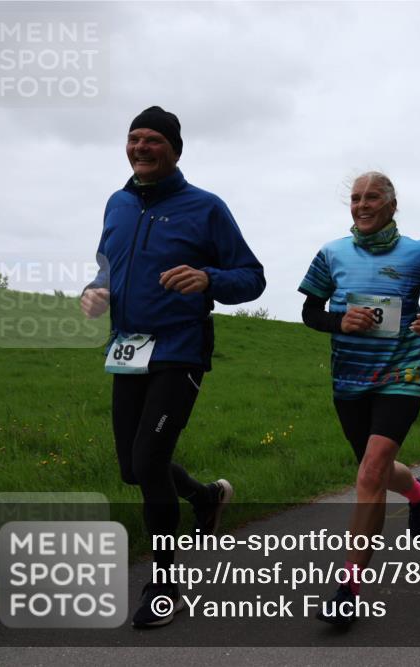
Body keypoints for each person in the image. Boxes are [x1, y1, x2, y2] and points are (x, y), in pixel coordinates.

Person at [80, 106, 266, 628]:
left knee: (149, 457)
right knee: (133, 468)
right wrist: (95, 291)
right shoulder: (117, 205)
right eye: (134, 138)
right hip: (126, 350)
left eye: (153, 140)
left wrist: (208, 278)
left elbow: (251, 277)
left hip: (179, 349)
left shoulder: (205, 208)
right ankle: (206, 498)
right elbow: (105, 266)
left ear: (175, 150)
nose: (141, 146)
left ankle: (165, 587)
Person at [299, 172, 420, 625]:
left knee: (369, 472)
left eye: (371, 197)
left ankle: (348, 588)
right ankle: (417, 489)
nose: (361, 205)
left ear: (392, 204)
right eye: (355, 198)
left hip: (402, 372)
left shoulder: (418, 253)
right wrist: (338, 322)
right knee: (377, 471)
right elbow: (310, 311)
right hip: (350, 379)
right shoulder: (331, 254)